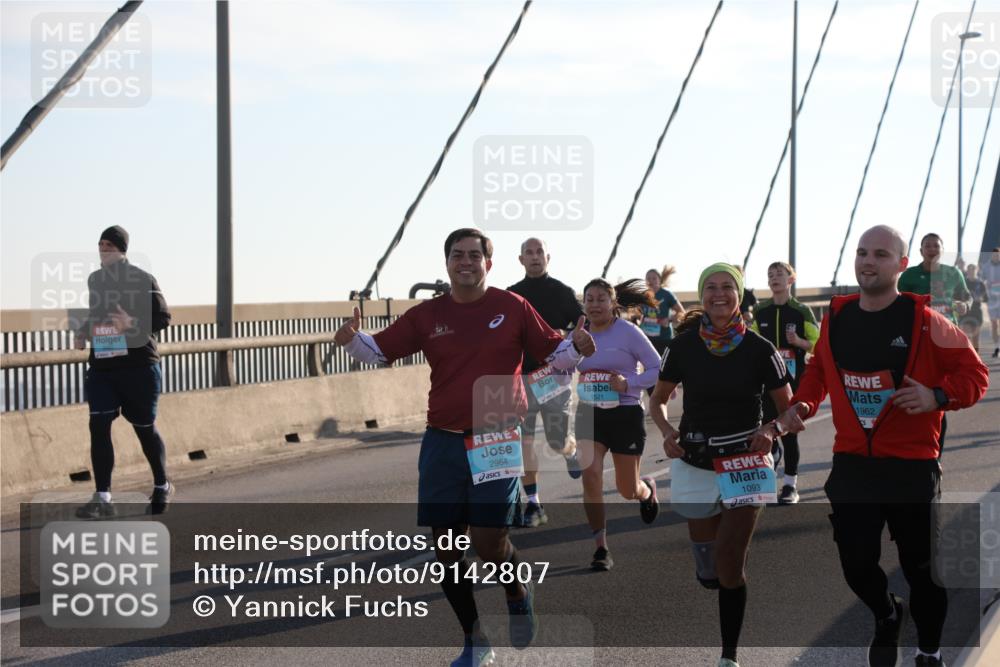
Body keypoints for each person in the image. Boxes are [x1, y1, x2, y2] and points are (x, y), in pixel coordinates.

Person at [334, 228, 595, 666]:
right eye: (458, 255)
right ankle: (476, 641)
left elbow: (557, 352)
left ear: (489, 264)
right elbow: (378, 352)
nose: (466, 262)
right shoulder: (427, 314)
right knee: (447, 548)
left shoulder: (512, 307)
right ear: (448, 263)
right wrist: (351, 341)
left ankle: (515, 588)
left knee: (489, 543)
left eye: (476, 255)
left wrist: (580, 347)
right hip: (442, 441)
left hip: (496, 438)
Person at [776, 225, 989, 667]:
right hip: (854, 462)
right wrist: (802, 403)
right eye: (861, 252)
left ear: (902, 265)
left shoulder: (928, 322)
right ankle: (887, 613)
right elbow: (818, 371)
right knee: (856, 564)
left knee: (922, 571)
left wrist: (937, 396)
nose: (867, 261)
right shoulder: (837, 316)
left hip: (912, 465)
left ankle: (928, 652)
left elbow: (976, 375)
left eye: (880, 254)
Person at [650, 262, 792, 667]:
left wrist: (772, 431)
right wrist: (665, 430)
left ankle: (728, 656)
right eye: (710, 287)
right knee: (710, 570)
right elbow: (657, 399)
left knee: (730, 565)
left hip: (746, 462)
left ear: (740, 294)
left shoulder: (760, 350)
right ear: (701, 295)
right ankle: (714, 571)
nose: (718, 294)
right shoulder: (682, 347)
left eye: (727, 287)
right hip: (695, 461)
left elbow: (790, 409)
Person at [73, 226, 174, 518]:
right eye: (100, 244)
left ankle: (161, 484)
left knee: (144, 429)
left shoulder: (143, 279)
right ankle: (103, 497)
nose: (103, 249)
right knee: (98, 426)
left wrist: (131, 323)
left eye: (109, 244)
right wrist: (82, 332)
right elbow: (97, 314)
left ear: (121, 249)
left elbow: (163, 317)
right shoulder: (95, 280)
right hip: (104, 366)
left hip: (139, 366)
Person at [575, 279, 663, 571]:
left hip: (624, 414)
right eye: (590, 299)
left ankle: (646, 490)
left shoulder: (628, 332)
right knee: (590, 475)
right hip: (590, 414)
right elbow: (560, 365)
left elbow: (657, 367)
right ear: (583, 304)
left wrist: (629, 383)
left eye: (601, 299)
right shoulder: (578, 334)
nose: (595, 304)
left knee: (627, 489)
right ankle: (601, 548)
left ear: (613, 304)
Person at [507, 237, 585, 529]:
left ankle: (571, 450)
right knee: (524, 441)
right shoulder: (512, 295)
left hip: (554, 378)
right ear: (521, 260)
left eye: (539, 252)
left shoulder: (562, 292)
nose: (535, 256)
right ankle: (534, 503)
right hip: (522, 380)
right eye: (529, 252)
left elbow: (582, 328)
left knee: (556, 440)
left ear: (547, 257)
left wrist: (561, 334)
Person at [751, 261, 819, 504]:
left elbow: (817, 344)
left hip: (794, 381)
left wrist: (798, 342)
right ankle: (767, 479)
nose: (774, 278)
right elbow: (752, 343)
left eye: (779, 274)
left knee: (789, 433)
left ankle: (790, 485)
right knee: (765, 428)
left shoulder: (801, 311)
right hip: (765, 383)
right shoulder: (761, 310)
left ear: (791, 279)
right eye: (770, 275)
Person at [639, 266, 685, 356]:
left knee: (663, 368)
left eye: (654, 278)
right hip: (646, 339)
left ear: (659, 280)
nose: (651, 281)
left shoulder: (666, 294)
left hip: (664, 339)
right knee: (649, 367)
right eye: (648, 278)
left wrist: (669, 319)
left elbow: (681, 312)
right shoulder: (643, 295)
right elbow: (640, 313)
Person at [960, 263, 988, 355]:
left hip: (977, 313)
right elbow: (957, 296)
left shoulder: (980, 283)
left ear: (977, 271)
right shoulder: (963, 282)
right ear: (967, 271)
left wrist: (981, 298)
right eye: (969, 270)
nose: (971, 272)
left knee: (975, 338)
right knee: (966, 337)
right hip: (966, 313)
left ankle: (976, 359)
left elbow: (986, 298)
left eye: (973, 270)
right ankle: (968, 358)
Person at [981, 247, 1000, 358]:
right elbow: (981, 279)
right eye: (994, 255)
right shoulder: (986, 267)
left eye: (998, 255)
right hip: (992, 300)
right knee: (994, 324)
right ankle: (996, 347)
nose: (996, 257)